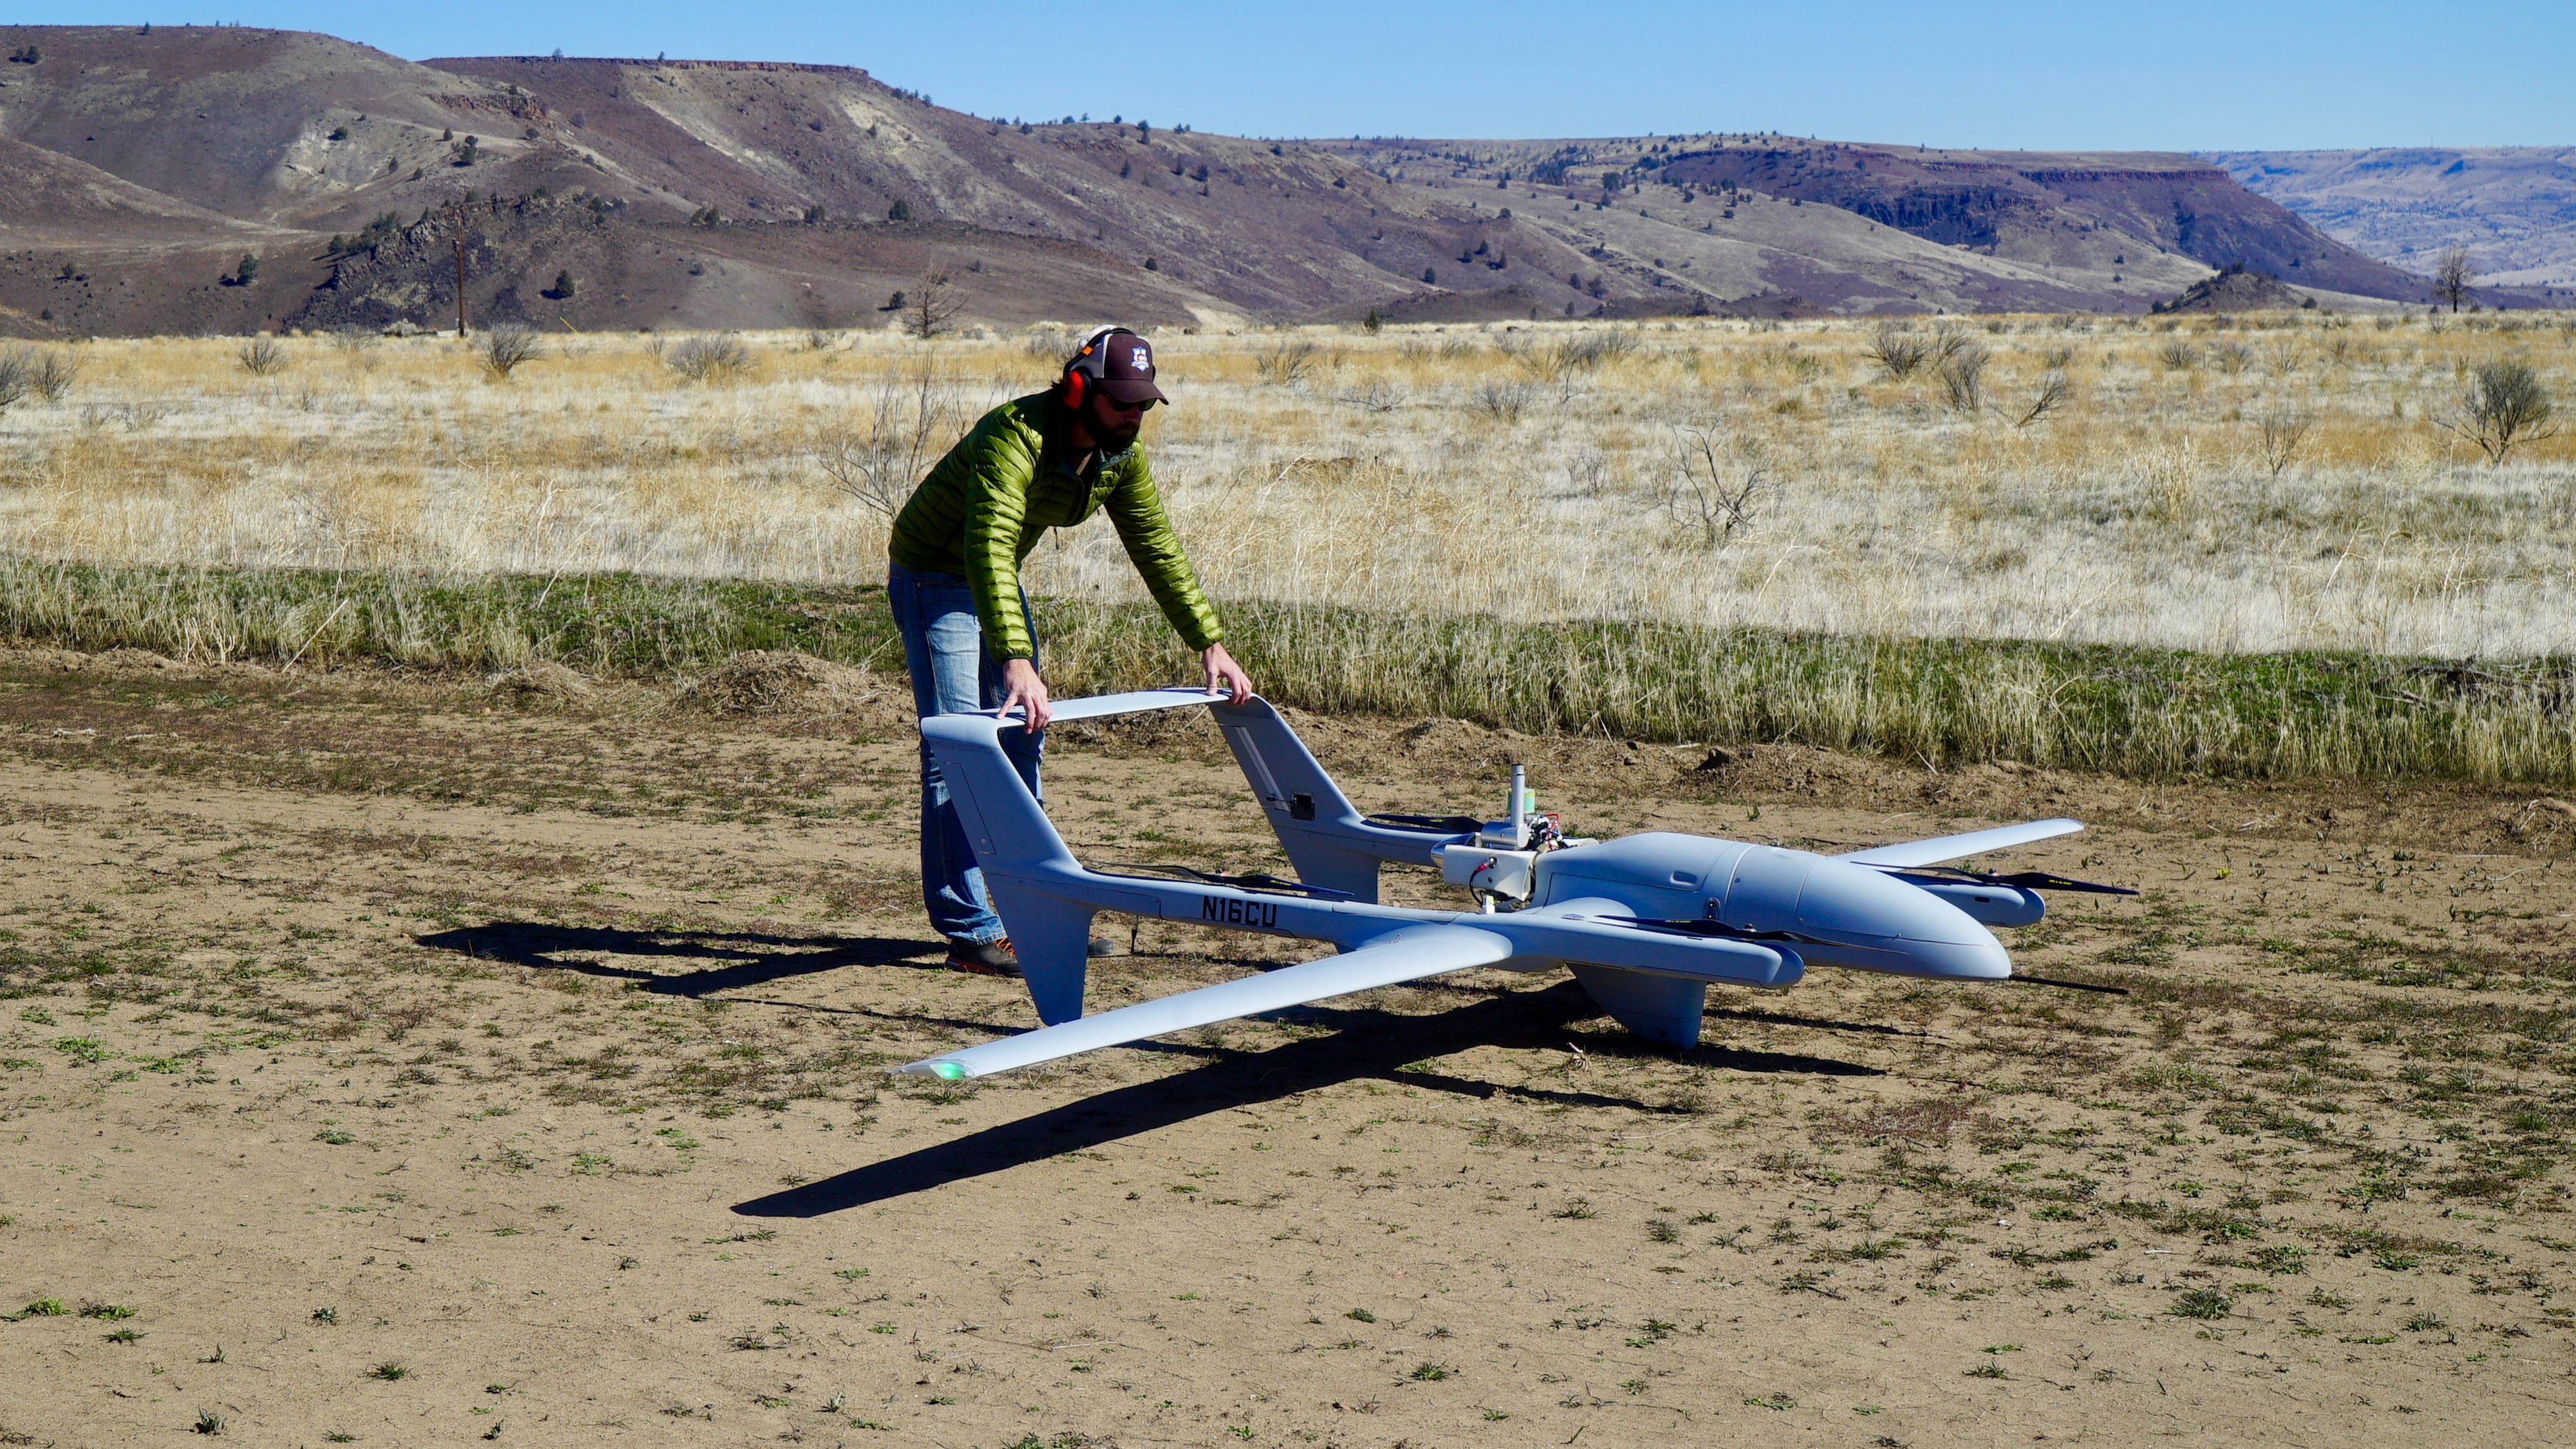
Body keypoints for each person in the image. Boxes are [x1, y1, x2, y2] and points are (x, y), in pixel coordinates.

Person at [885, 326, 1253, 976]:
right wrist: (1016, 660)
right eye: (1121, 404)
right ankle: (971, 930)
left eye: (1142, 406)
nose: (1133, 418)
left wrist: (1209, 642)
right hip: (934, 576)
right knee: (958, 749)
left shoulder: (1119, 456)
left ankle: (1030, 910)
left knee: (1022, 736)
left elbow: (1156, 548)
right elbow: (989, 544)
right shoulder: (1014, 436)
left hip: (989, 580)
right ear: (1080, 389)